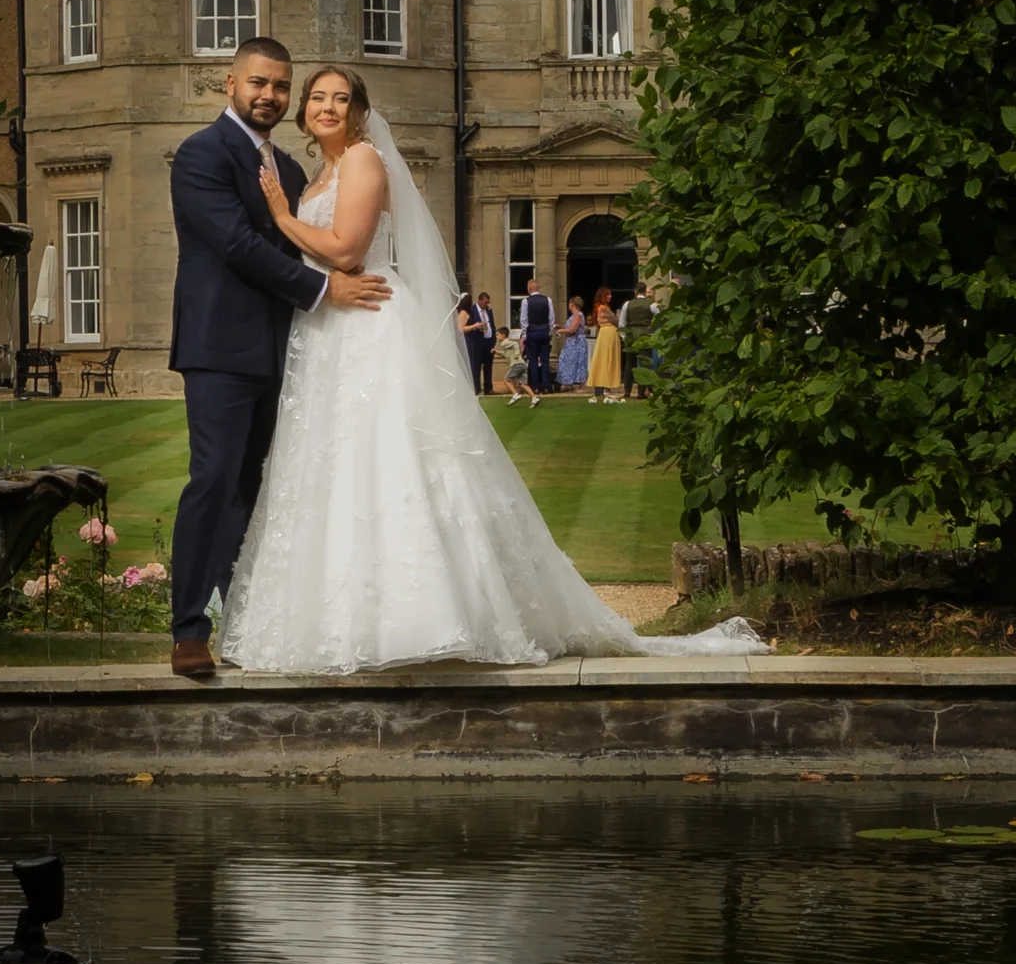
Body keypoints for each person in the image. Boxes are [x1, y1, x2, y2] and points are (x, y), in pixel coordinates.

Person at [218, 63, 765, 673]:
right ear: (303, 110)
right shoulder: (319, 171)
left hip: (368, 323)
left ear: (360, 110)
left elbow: (347, 250)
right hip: (325, 329)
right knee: (330, 466)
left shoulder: (364, 161)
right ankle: (337, 620)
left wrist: (284, 218)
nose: (328, 107)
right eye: (318, 97)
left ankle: (424, 617)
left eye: (341, 98)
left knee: (387, 458)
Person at [165, 38, 391, 680]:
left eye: (280, 86)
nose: (269, 95)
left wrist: (323, 290)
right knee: (213, 478)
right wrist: (326, 289)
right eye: (258, 83)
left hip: (291, 349)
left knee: (259, 490)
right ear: (231, 82)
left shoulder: (293, 172)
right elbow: (237, 245)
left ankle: (245, 620)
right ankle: (189, 631)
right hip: (220, 348)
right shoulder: (200, 155)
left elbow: (311, 239)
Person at [514, 278, 554, 405]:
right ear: (538, 288)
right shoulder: (547, 300)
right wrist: (550, 332)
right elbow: (551, 318)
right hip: (544, 332)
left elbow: (524, 319)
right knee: (545, 360)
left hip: (532, 332)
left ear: (529, 289)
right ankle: (546, 386)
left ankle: (535, 386)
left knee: (532, 360)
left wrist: (524, 334)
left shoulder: (526, 301)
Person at [618, 281, 659, 398]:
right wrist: (651, 328)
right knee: (644, 363)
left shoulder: (627, 304)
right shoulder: (651, 305)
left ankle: (627, 391)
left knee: (629, 363)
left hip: (631, 334)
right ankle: (641, 392)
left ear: (635, 291)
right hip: (645, 334)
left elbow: (622, 322)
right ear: (645, 291)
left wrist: (624, 336)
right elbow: (659, 316)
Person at [584, 286, 624, 404]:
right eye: (608, 294)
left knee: (604, 359)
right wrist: (617, 316)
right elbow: (616, 321)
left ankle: (604, 387)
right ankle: (607, 386)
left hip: (606, 334)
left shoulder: (600, 308)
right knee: (608, 359)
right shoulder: (604, 308)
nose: (610, 296)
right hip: (608, 334)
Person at [455, 294, 488, 393]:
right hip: (468, 341)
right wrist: (474, 326)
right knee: (470, 363)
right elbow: (460, 329)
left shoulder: (470, 312)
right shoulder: (463, 313)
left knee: (475, 364)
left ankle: (475, 388)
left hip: (474, 341)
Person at [556, 294, 590, 390]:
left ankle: (581, 385)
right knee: (566, 361)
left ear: (572, 304)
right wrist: (560, 327)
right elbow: (569, 328)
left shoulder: (578, 315)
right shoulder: (574, 316)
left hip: (577, 342)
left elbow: (572, 330)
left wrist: (560, 331)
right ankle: (567, 383)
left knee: (578, 362)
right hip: (571, 342)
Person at [473, 293, 499, 394]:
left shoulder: (489, 310)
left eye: (488, 302)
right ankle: (477, 388)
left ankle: (488, 388)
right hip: (478, 342)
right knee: (477, 366)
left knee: (488, 366)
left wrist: (493, 340)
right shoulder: (473, 310)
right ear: (479, 301)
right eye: (485, 302)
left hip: (489, 341)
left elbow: (492, 324)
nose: (486, 304)